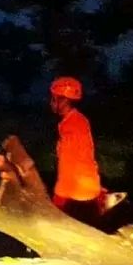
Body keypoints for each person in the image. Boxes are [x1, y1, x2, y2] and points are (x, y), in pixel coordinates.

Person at [49, 76, 102, 226]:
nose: (51, 103)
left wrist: (59, 198)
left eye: (53, 99)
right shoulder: (80, 120)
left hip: (77, 194)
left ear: (64, 101)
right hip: (90, 188)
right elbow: (88, 155)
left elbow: (68, 165)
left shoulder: (70, 127)